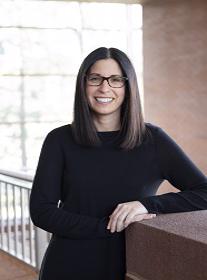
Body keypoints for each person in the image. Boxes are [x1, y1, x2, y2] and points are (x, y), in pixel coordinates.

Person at [29, 47, 207, 280]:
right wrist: (107, 226)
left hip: (130, 264)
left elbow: (203, 192)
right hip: (68, 263)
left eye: (116, 80)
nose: (105, 88)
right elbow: (42, 211)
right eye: (95, 79)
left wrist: (146, 205)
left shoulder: (153, 140)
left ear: (128, 86)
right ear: (83, 85)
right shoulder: (59, 139)